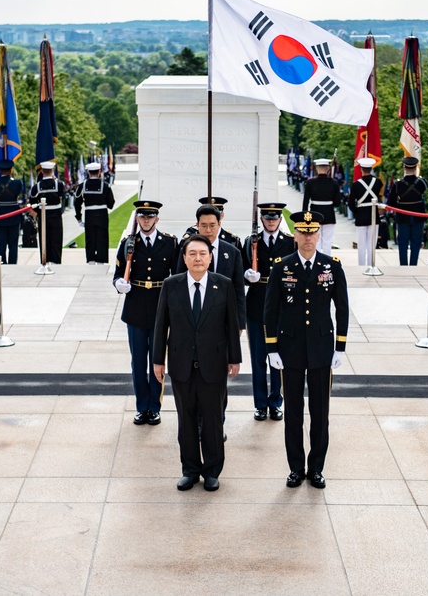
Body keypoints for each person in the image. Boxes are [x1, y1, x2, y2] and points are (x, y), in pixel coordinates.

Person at [264, 210, 348, 489]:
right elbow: (270, 309)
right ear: (295, 235)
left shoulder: (332, 266)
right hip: (290, 349)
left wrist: (340, 347)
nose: (308, 237)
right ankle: (295, 468)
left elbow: (343, 308)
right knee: (293, 413)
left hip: (322, 349)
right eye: (303, 232)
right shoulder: (281, 266)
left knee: (320, 413)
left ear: (319, 235)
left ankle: (316, 468)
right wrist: (272, 348)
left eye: (313, 233)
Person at [152, 234, 242, 492]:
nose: (198, 258)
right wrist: (158, 360)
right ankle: (190, 470)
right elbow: (161, 325)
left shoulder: (223, 285)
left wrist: (234, 358)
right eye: (192, 253)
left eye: (203, 253)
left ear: (210, 257)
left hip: (213, 364)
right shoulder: (171, 285)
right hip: (181, 364)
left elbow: (231, 324)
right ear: (184, 258)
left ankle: (212, 471)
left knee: (213, 420)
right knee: (186, 419)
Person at [113, 200, 179, 426]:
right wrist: (119, 283)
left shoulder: (170, 243)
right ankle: (142, 406)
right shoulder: (127, 243)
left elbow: (177, 276)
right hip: (136, 308)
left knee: (157, 360)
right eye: (142, 217)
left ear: (157, 219)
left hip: (161, 309)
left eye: (150, 217)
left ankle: (154, 407)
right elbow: (118, 273)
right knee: (138, 362)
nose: (146, 221)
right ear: (137, 219)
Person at [242, 202, 294, 421]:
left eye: (274, 218)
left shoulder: (290, 243)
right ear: (261, 219)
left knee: (279, 358)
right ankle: (260, 404)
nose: (271, 221)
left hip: (281, 307)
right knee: (258, 359)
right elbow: (241, 271)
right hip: (256, 305)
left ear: (280, 219)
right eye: (267, 218)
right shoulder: (250, 242)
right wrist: (248, 275)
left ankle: (276, 401)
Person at [177, 205, 246, 330]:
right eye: (203, 225)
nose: (208, 230)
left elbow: (239, 290)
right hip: (193, 316)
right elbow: (180, 285)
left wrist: (240, 323)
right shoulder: (186, 250)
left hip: (223, 318)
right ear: (197, 225)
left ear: (219, 224)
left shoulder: (233, 253)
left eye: (212, 225)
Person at [388, 156, 428, 265]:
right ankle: (413, 264)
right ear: (416, 168)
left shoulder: (398, 184)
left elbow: (391, 202)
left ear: (404, 168)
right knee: (416, 242)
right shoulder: (421, 183)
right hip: (418, 216)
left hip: (403, 216)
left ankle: (403, 264)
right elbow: (426, 191)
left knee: (403, 243)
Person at [74, 161, 115, 263]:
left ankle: (91, 260)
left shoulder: (82, 186)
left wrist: (79, 218)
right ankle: (101, 260)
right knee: (102, 238)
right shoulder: (105, 186)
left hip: (89, 216)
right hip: (102, 216)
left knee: (90, 238)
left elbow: (77, 203)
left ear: (88, 172)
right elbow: (111, 203)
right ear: (99, 172)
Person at [0, 159, 25, 264]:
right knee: (13, 244)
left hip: (0, 217)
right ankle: (12, 264)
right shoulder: (17, 183)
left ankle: (2, 264)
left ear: (0, 171)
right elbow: (21, 197)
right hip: (14, 216)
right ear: (11, 170)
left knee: (1, 244)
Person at [348, 158, 383, 266]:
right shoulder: (378, 182)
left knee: (361, 244)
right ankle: (371, 264)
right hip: (373, 215)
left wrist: (357, 212)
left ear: (361, 169)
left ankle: (361, 266)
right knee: (372, 244)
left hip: (361, 216)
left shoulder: (356, 185)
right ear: (371, 168)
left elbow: (351, 204)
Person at [29, 160, 67, 264]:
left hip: (43, 216)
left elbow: (32, 202)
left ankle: (45, 261)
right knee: (56, 240)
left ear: (42, 171)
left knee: (44, 240)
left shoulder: (36, 187)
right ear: (52, 170)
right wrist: (61, 210)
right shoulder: (59, 184)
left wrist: (40, 211)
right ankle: (56, 261)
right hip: (56, 216)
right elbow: (64, 197)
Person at [302, 158, 340, 255]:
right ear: (328, 168)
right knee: (327, 242)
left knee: (316, 241)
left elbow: (305, 201)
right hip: (329, 214)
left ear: (317, 168)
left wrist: (304, 216)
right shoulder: (334, 183)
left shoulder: (310, 182)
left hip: (314, 214)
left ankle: (316, 262)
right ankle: (326, 262)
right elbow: (337, 203)